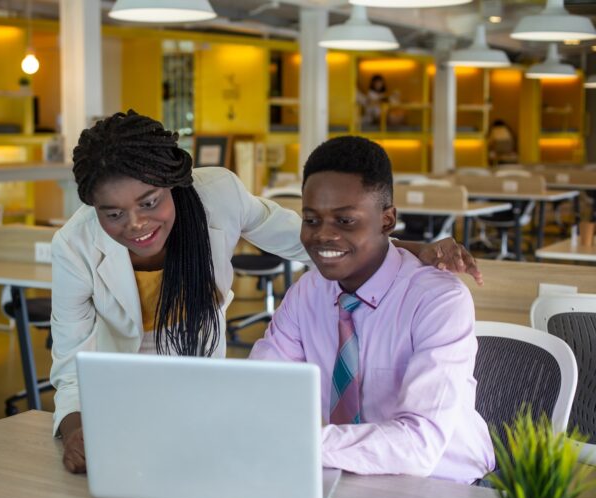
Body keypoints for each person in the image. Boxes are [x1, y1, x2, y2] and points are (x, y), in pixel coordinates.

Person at [51, 110, 483, 474]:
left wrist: (409, 251)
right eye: (113, 213)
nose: (136, 225)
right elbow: (70, 360)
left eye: (149, 203)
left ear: (171, 186)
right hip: (125, 388)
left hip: (435, 481)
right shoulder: (75, 247)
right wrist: (75, 430)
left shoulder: (217, 197)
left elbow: (310, 240)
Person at [249, 136, 495, 484]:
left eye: (345, 221)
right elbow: (258, 390)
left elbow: (419, 444)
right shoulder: (306, 294)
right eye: (311, 219)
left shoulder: (438, 300)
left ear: (387, 220)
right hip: (346, 477)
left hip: (446, 485)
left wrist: (298, 443)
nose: (323, 236)